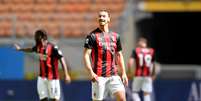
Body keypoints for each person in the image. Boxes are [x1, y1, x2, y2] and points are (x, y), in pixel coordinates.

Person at [83, 9, 128, 101]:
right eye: (99, 16)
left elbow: (119, 55)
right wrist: (91, 72)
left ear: (109, 19)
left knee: (122, 99)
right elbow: (86, 55)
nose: (101, 18)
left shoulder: (116, 36)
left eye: (104, 16)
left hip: (113, 75)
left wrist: (123, 72)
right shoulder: (92, 36)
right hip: (98, 76)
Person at [14, 29, 71, 101]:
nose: (36, 39)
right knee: (43, 98)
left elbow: (62, 59)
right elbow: (31, 49)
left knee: (54, 99)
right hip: (42, 77)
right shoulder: (38, 47)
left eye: (37, 37)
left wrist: (66, 74)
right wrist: (20, 49)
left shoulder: (53, 47)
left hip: (52, 78)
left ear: (42, 37)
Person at [127, 37, 157, 101]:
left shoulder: (136, 50)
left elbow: (130, 63)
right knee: (146, 94)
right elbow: (153, 64)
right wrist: (153, 74)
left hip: (138, 75)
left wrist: (129, 72)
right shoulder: (151, 51)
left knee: (134, 92)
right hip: (148, 76)